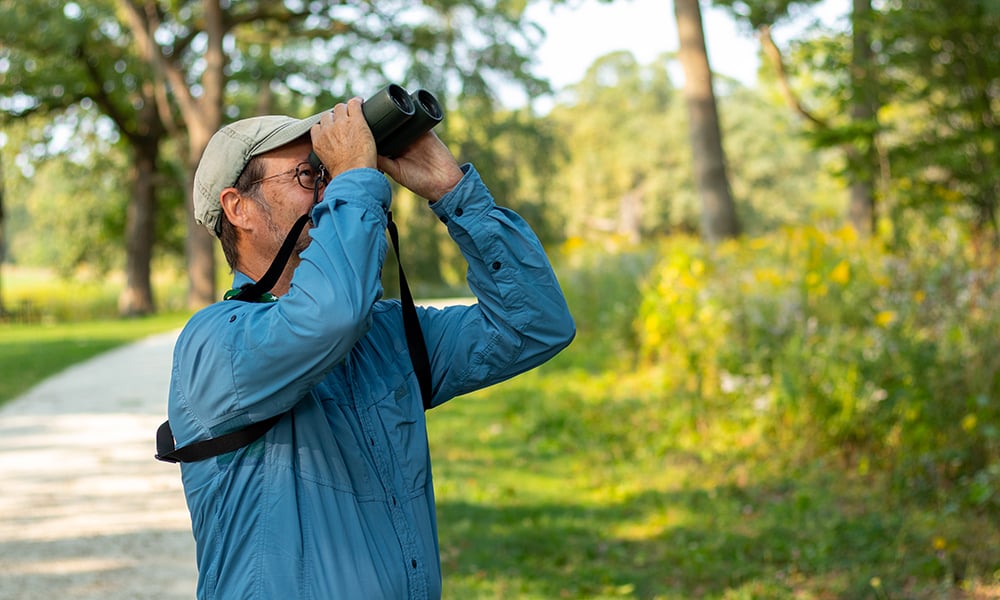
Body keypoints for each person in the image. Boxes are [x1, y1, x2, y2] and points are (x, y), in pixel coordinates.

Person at [164, 96, 575, 599]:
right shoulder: (215, 343)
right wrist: (357, 178)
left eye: (326, 171)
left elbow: (536, 324)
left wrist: (454, 193)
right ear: (238, 208)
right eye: (307, 175)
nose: (328, 185)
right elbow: (326, 317)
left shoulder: (380, 335)